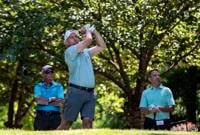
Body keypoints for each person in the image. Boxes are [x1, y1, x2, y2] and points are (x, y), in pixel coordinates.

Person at [57, 24, 106, 130]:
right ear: (66, 43)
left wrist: (94, 30)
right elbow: (88, 40)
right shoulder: (69, 51)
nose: (75, 38)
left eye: (75, 36)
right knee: (66, 123)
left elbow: (102, 46)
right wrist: (88, 30)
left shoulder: (86, 52)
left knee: (88, 122)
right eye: (71, 37)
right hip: (75, 91)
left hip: (90, 93)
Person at [34, 65, 64, 130]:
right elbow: (39, 101)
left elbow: (60, 102)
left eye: (52, 72)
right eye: (47, 72)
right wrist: (51, 99)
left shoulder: (59, 87)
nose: (50, 74)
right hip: (41, 117)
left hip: (55, 117)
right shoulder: (38, 86)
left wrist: (45, 101)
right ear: (43, 74)